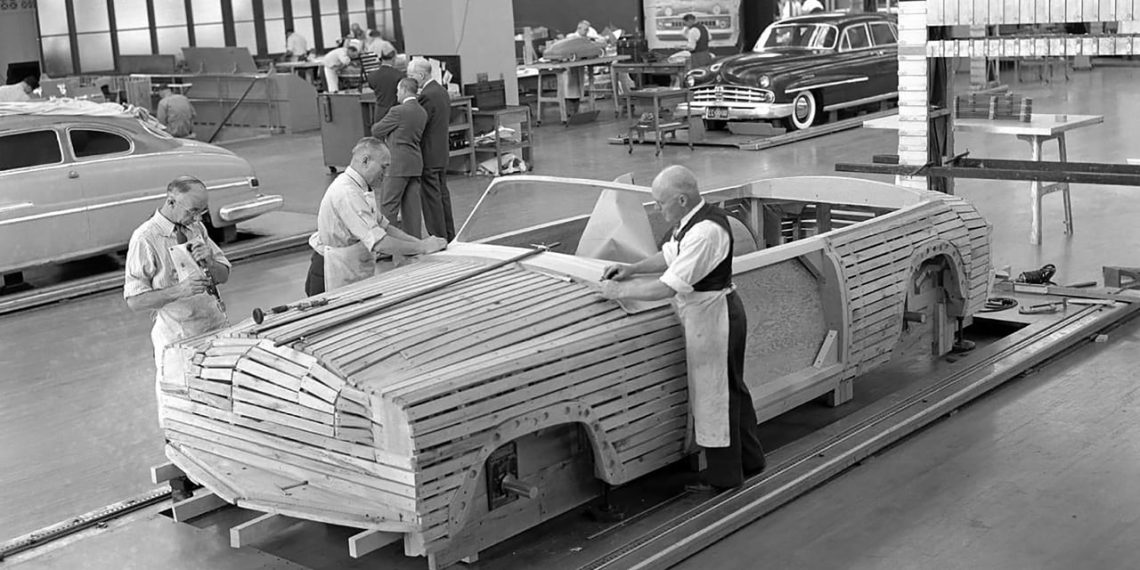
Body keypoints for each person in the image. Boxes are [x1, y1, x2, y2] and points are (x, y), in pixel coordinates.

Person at [599, 165, 766, 492]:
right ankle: (751, 460)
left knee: (715, 397)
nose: (657, 209)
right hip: (713, 313)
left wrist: (619, 292)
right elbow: (669, 256)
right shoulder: (693, 221)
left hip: (716, 318)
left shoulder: (705, 233)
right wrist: (632, 269)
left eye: (661, 203)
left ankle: (725, 479)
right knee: (732, 389)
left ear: (681, 199)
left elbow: (667, 286)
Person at [125, 176, 231, 429]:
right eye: (192, 211)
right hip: (178, 337)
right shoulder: (146, 238)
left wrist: (210, 262)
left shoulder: (197, 229)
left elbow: (224, 275)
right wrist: (179, 291)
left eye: (202, 211)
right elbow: (134, 301)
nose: (197, 218)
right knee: (182, 408)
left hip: (214, 326)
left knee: (221, 399)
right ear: (171, 201)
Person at [315, 137, 447, 291]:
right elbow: (379, 242)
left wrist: (421, 244)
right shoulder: (347, 192)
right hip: (330, 269)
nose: (385, 174)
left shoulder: (361, 187)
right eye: (383, 167)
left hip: (349, 267)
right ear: (365, 161)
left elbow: (384, 227)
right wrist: (421, 247)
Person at [370, 77, 426, 239]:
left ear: (404, 90)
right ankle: (414, 243)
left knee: (389, 207)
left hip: (397, 165)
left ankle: (390, 244)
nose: (396, 94)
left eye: (397, 91)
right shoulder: (422, 112)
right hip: (415, 164)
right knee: (412, 209)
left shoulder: (398, 111)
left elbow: (377, 130)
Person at [409, 58, 456, 240]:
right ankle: (449, 234)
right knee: (442, 195)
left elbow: (420, 122)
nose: (410, 80)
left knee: (431, 198)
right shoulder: (441, 90)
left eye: (411, 76)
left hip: (429, 153)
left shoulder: (427, 96)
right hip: (441, 151)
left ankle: (438, 237)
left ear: (421, 75)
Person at [366, 47, 403, 121]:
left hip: (379, 113)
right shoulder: (400, 75)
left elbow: (371, 86)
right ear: (394, 58)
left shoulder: (371, 76)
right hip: (395, 112)